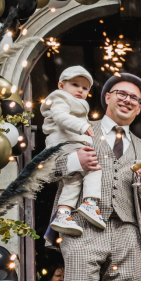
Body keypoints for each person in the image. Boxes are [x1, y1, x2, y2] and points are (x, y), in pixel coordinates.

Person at [54, 73, 141, 281]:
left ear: (138, 110)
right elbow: (49, 166)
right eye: (121, 93)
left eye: (134, 99)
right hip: (83, 224)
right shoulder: (79, 128)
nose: (127, 100)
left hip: (127, 230)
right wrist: (76, 162)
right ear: (107, 97)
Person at [42, 66, 106, 237]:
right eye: (75, 84)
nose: (80, 90)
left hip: (67, 145)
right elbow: (60, 117)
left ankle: (63, 214)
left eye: (85, 88)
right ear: (61, 86)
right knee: (93, 169)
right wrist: (83, 125)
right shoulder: (60, 98)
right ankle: (90, 203)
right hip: (65, 144)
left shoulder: (73, 101)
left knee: (73, 180)